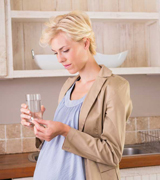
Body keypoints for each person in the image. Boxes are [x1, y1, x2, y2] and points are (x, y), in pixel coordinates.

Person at [20, 11, 133, 180]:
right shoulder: (68, 85)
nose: (60, 58)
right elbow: (60, 144)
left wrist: (65, 130)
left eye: (65, 50)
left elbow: (111, 154)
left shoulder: (114, 87)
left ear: (85, 43)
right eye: (55, 52)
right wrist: (39, 126)